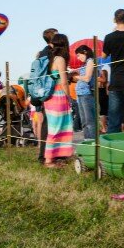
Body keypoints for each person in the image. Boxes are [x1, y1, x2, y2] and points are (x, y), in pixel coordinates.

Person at [43, 33, 74, 168]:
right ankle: (48, 160)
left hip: (50, 98)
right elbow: (64, 82)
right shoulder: (60, 59)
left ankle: (57, 156)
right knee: (57, 128)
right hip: (58, 96)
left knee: (57, 127)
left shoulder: (51, 58)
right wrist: (69, 97)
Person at [35, 28, 58, 163]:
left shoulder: (42, 53)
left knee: (47, 123)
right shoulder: (50, 53)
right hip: (49, 90)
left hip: (43, 90)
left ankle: (46, 154)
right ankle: (45, 156)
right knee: (48, 124)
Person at [74, 45, 97, 140]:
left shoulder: (91, 61)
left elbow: (87, 78)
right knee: (84, 121)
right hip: (81, 94)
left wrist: (76, 77)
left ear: (85, 52)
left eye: (79, 55)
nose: (78, 58)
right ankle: (87, 140)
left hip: (87, 94)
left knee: (89, 121)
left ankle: (92, 142)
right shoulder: (85, 64)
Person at [97, 62, 110, 133]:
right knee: (105, 113)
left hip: (100, 98)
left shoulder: (98, 81)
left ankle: (104, 128)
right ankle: (105, 128)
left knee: (102, 113)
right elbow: (108, 92)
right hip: (106, 98)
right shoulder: (107, 82)